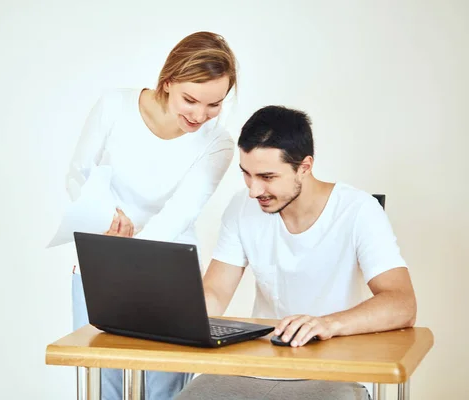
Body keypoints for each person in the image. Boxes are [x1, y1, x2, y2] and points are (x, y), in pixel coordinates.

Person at [176, 105, 417, 400]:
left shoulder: (358, 210)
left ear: (304, 167)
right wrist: (170, 315)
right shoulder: (242, 208)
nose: (254, 190)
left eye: (267, 176)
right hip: (252, 367)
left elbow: (402, 303)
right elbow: (214, 292)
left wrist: (328, 323)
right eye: (247, 175)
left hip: (332, 374)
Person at [64, 31, 238, 400]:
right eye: (190, 100)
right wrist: (106, 222)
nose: (200, 115)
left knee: (166, 389)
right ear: (168, 81)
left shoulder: (218, 143)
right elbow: (79, 174)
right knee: (100, 383)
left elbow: (178, 214)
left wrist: (128, 255)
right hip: (101, 256)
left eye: (214, 105)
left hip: (168, 268)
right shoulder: (114, 106)